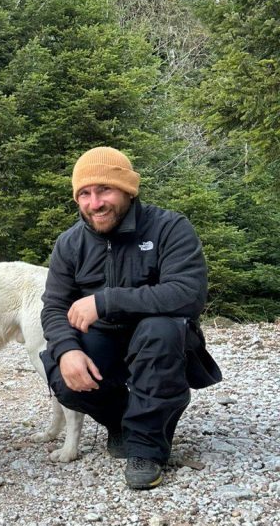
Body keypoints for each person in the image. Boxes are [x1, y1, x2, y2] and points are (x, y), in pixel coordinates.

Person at [40, 147, 221, 491]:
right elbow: (53, 307)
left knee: (160, 330)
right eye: (85, 194)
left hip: (160, 344)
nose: (95, 203)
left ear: (128, 189)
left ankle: (147, 449)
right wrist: (65, 350)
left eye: (104, 190)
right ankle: (123, 422)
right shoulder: (70, 244)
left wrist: (107, 301)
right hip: (105, 345)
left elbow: (187, 294)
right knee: (61, 371)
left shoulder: (169, 228)